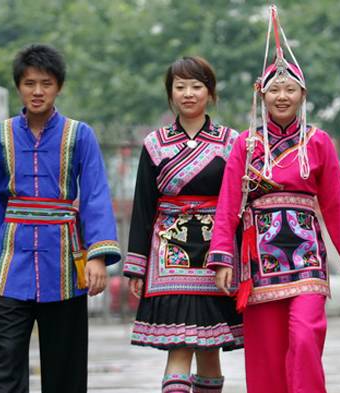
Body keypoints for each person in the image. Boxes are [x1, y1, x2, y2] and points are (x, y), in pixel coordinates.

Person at [206, 6, 340, 393]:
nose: (282, 96)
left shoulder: (318, 142)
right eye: (274, 89)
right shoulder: (245, 146)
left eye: (290, 89)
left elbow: (336, 204)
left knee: (303, 339)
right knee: (265, 353)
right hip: (259, 263)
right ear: (261, 95)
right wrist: (222, 258)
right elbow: (229, 204)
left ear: (303, 94)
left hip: (307, 261)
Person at [0, 44, 121, 393]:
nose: (37, 91)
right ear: (18, 87)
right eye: (29, 83)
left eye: (46, 83)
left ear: (59, 86)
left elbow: (96, 195)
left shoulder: (79, 135)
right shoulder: (1, 135)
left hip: (66, 266)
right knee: (6, 362)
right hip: (10, 266)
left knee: (65, 366)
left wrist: (97, 256)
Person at [123, 56, 242, 393]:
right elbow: (143, 207)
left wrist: (238, 260)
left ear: (211, 93)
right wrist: (136, 266)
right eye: (180, 87)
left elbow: (236, 205)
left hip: (215, 256)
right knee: (179, 343)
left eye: (196, 86)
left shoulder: (232, 142)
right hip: (168, 256)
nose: (188, 93)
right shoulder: (155, 143)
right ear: (170, 93)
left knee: (210, 348)